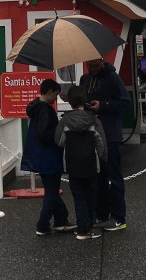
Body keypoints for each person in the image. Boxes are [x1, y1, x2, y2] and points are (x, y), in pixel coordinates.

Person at [79, 57, 130, 231]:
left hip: (110, 134)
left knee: (113, 176)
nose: (91, 68)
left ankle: (118, 217)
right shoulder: (84, 79)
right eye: (88, 65)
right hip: (92, 132)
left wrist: (103, 106)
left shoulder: (112, 78)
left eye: (94, 65)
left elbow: (125, 102)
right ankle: (101, 213)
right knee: (97, 176)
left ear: (102, 61)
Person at [20, 78, 74, 236]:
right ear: (49, 91)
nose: (56, 99)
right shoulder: (46, 110)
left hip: (38, 156)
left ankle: (61, 220)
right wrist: (60, 134)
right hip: (49, 156)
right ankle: (42, 224)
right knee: (51, 191)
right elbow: (46, 134)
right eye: (55, 95)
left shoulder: (35, 107)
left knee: (51, 189)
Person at [54, 86, 107, 240]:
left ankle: (82, 229)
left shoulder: (65, 121)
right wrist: (104, 159)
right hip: (91, 164)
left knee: (79, 196)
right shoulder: (94, 120)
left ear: (69, 102)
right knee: (91, 195)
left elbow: (59, 142)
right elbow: (101, 144)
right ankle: (87, 227)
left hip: (73, 164)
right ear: (86, 100)